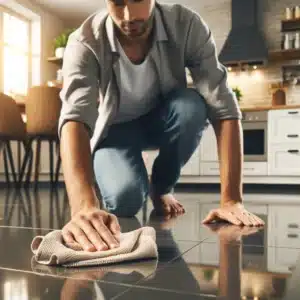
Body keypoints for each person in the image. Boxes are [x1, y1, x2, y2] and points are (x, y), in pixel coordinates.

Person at [58, 0, 265, 253]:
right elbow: (75, 117)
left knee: (191, 106)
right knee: (125, 200)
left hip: (162, 119)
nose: (128, 16)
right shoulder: (85, 41)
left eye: (137, 0)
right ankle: (127, 184)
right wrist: (83, 207)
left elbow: (222, 106)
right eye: (118, 2)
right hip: (115, 132)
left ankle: (161, 188)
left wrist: (231, 200)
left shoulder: (186, 25)